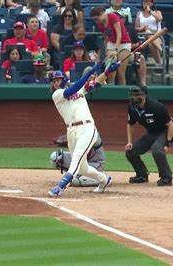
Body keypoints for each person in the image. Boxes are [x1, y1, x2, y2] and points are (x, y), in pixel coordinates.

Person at [47, 61, 121, 197]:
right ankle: (104, 179)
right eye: (54, 81)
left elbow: (96, 84)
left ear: (64, 79)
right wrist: (89, 73)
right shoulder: (57, 95)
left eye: (59, 80)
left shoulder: (79, 89)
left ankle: (60, 187)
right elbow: (72, 89)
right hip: (72, 131)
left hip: (87, 128)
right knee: (82, 167)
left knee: (76, 158)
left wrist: (107, 72)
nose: (57, 83)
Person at [125, 85, 173, 186]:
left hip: (165, 131)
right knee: (130, 152)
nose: (134, 98)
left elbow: (170, 125)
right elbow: (130, 124)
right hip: (151, 132)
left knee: (156, 149)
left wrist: (168, 142)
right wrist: (129, 142)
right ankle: (142, 175)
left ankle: (166, 177)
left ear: (144, 96)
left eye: (137, 95)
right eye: (132, 95)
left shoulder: (157, 107)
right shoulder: (132, 108)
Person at [91, 6, 132, 85]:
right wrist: (107, 49)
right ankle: (110, 91)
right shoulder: (100, 25)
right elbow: (106, 38)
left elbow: (119, 34)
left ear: (103, 13)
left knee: (120, 72)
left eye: (97, 18)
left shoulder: (113, 17)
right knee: (110, 70)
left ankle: (122, 94)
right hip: (112, 43)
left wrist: (115, 50)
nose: (96, 21)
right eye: (94, 20)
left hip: (124, 43)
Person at [135, 0, 163, 66]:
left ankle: (159, 63)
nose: (145, 3)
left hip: (156, 36)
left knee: (151, 44)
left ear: (152, 3)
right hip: (142, 36)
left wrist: (149, 11)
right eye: (144, 2)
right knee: (147, 31)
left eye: (147, 2)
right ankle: (161, 51)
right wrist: (142, 28)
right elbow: (136, 28)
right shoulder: (139, 13)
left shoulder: (157, 12)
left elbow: (159, 18)